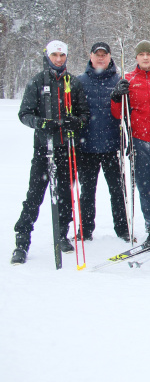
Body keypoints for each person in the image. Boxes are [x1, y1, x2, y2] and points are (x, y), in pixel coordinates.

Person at [12, 41, 89, 265]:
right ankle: (22, 240)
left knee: (65, 196)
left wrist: (75, 122)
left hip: (66, 149)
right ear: (48, 56)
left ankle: (62, 234)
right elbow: (24, 113)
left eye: (62, 55)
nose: (58, 59)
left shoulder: (72, 83)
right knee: (34, 195)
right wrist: (41, 123)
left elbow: (84, 115)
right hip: (43, 149)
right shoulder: (37, 81)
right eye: (54, 55)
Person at [110, 40, 150, 242]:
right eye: (142, 54)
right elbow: (118, 114)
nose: (145, 57)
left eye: (149, 54)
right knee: (145, 188)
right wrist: (117, 97)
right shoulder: (128, 79)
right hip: (139, 141)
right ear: (136, 57)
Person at [75, 42, 130, 242]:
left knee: (117, 191)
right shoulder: (79, 81)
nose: (100, 58)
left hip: (112, 145)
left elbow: (128, 112)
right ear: (91, 56)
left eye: (103, 55)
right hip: (86, 146)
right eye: (96, 55)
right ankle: (85, 229)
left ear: (109, 57)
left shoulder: (119, 81)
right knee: (87, 191)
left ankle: (123, 228)